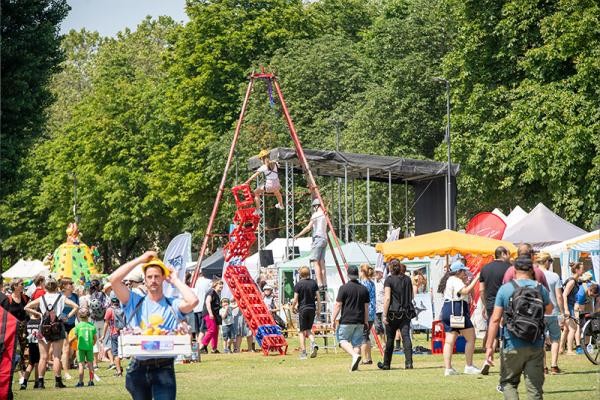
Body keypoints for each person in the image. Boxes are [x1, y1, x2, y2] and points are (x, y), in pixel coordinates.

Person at [109, 251, 199, 400]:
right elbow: (113, 280)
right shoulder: (134, 301)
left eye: (157, 276)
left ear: (163, 278)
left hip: (164, 367)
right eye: (149, 277)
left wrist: (175, 280)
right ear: (144, 280)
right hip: (138, 368)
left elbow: (193, 301)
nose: (153, 280)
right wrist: (140, 260)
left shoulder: (172, 304)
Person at [486, 256, 552, 400]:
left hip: (512, 343)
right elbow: (549, 310)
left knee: (508, 383)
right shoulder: (540, 288)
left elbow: (495, 319)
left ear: (514, 270)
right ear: (532, 270)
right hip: (535, 344)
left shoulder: (505, 289)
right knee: (535, 389)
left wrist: (489, 346)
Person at [24, 278, 79, 389]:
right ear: (57, 287)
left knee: (43, 357)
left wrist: (39, 314)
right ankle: (58, 381)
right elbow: (76, 307)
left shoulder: (42, 298)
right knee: (57, 356)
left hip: (43, 327)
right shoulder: (61, 297)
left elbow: (26, 307)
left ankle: (40, 382)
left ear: (45, 287)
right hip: (58, 326)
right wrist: (67, 317)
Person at [438, 260, 481, 376]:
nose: (465, 273)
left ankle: (448, 368)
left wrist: (467, 282)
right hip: (457, 310)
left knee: (449, 341)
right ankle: (469, 365)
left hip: (447, 310)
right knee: (471, 338)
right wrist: (476, 279)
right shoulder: (455, 280)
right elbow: (465, 291)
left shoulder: (450, 280)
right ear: (458, 271)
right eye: (463, 271)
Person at [331, 265, 370, 372]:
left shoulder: (343, 288)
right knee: (357, 343)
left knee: (342, 340)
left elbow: (338, 305)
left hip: (347, 320)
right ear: (357, 275)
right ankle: (355, 366)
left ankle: (354, 356)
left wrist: (333, 319)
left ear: (348, 275)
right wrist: (366, 320)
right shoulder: (364, 289)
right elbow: (366, 307)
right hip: (360, 320)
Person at [378, 259, 415, 370]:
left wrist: (384, 315)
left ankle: (386, 364)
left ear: (390, 267)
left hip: (392, 313)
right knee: (406, 337)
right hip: (406, 312)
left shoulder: (389, 280)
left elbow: (387, 298)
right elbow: (412, 296)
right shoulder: (408, 279)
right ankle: (409, 363)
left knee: (390, 339)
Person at [479, 246, 511, 374]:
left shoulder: (485, 268)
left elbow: (482, 290)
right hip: (507, 302)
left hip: (491, 303)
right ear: (503, 254)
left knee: (493, 332)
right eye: (508, 254)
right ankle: (507, 362)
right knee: (508, 332)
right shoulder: (509, 268)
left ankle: (488, 359)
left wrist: (485, 305)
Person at [536, 252, 564, 374]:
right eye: (550, 261)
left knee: (541, 340)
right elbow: (559, 296)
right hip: (553, 311)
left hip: (539, 312)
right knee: (555, 339)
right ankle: (554, 365)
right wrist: (562, 312)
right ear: (547, 261)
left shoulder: (533, 276)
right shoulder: (554, 276)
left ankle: (543, 367)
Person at [295, 198, 329, 291]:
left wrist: (299, 235)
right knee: (322, 262)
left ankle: (320, 283)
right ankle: (325, 283)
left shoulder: (316, 214)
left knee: (315, 262)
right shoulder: (325, 214)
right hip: (324, 239)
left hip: (317, 239)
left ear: (316, 206)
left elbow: (308, 227)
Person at [291, 266, 320, 360]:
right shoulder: (314, 283)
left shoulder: (298, 284)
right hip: (312, 308)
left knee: (301, 331)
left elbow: (295, 299)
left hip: (302, 309)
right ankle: (313, 342)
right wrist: (319, 310)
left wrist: (292, 307)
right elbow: (318, 298)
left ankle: (303, 352)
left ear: (300, 274)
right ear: (309, 273)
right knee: (308, 329)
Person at [6, 279, 30, 388]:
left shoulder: (25, 298)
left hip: (25, 330)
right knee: (17, 351)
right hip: (12, 330)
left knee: (25, 352)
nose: (23, 286)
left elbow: (29, 311)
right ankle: (21, 375)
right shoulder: (8, 300)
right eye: (21, 284)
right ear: (15, 286)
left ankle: (22, 374)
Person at [561, 262, 584, 354]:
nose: (583, 270)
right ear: (577, 270)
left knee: (566, 329)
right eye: (582, 268)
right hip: (568, 306)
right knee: (573, 329)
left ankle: (561, 349)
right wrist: (566, 309)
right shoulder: (572, 281)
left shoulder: (576, 280)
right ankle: (569, 350)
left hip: (570, 305)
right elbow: (564, 295)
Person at [71, 307, 97, 387]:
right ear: (88, 316)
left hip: (80, 348)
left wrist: (69, 342)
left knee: (81, 365)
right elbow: (95, 338)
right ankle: (91, 381)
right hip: (89, 348)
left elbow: (75, 336)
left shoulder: (78, 326)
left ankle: (80, 382)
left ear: (79, 316)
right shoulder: (92, 326)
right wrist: (92, 344)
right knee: (90, 365)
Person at [59, 278, 78, 380]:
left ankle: (67, 365)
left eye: (72, 283)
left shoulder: (75, 296)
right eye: (70, 283)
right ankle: (66, 373)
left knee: (71, 349)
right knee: (66, 349)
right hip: (62, 325)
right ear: (64, 286)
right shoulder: (59, 296)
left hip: (72, 325)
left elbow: (77, 311)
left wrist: (81, 323)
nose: (72, 285)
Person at [200, 280, 224, 354]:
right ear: (215, 285)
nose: (221, 286)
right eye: (220, 285)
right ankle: (202, 347)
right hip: (209, 313)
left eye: (222, 285)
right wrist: (210, 313)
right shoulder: (211, 291)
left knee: (215, 331)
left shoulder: (217, 293)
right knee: (211, 330)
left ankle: (214, 349)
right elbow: (207, 302)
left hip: (215, 315)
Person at [102, 295, 124, 376]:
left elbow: (106, 323)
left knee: (115, 353)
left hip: (114, 333)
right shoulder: (122, 309)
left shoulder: (110, 310)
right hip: (123, 333)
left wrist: (103, 335)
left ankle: (118, 372)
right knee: (122, 352)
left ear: (111, 302)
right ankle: (120, 368)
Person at [359, 264, 376, 365]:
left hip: (365, 312)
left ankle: (364, 358)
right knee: (366, 335)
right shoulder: (372, 283)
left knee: (363, 336)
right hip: (372, 311)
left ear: (362, 272)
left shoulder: (363, 284)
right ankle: (369, 357)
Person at [192, 267, 213, 344]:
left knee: (197, 329)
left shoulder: (193, 282)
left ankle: (198, 343)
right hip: (202, 308)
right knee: (202, 329)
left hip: (194, 308)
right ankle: (201, 344)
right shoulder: (208, 281)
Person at [374, 268, 386, 345]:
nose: (376, 274)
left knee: (385, 326)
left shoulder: (384, 282)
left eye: (378, 273)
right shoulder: (373, 282)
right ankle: (383, 342)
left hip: (383, 307)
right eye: (376, 273)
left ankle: (386, 342)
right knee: (378, 327)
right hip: (375, 308)